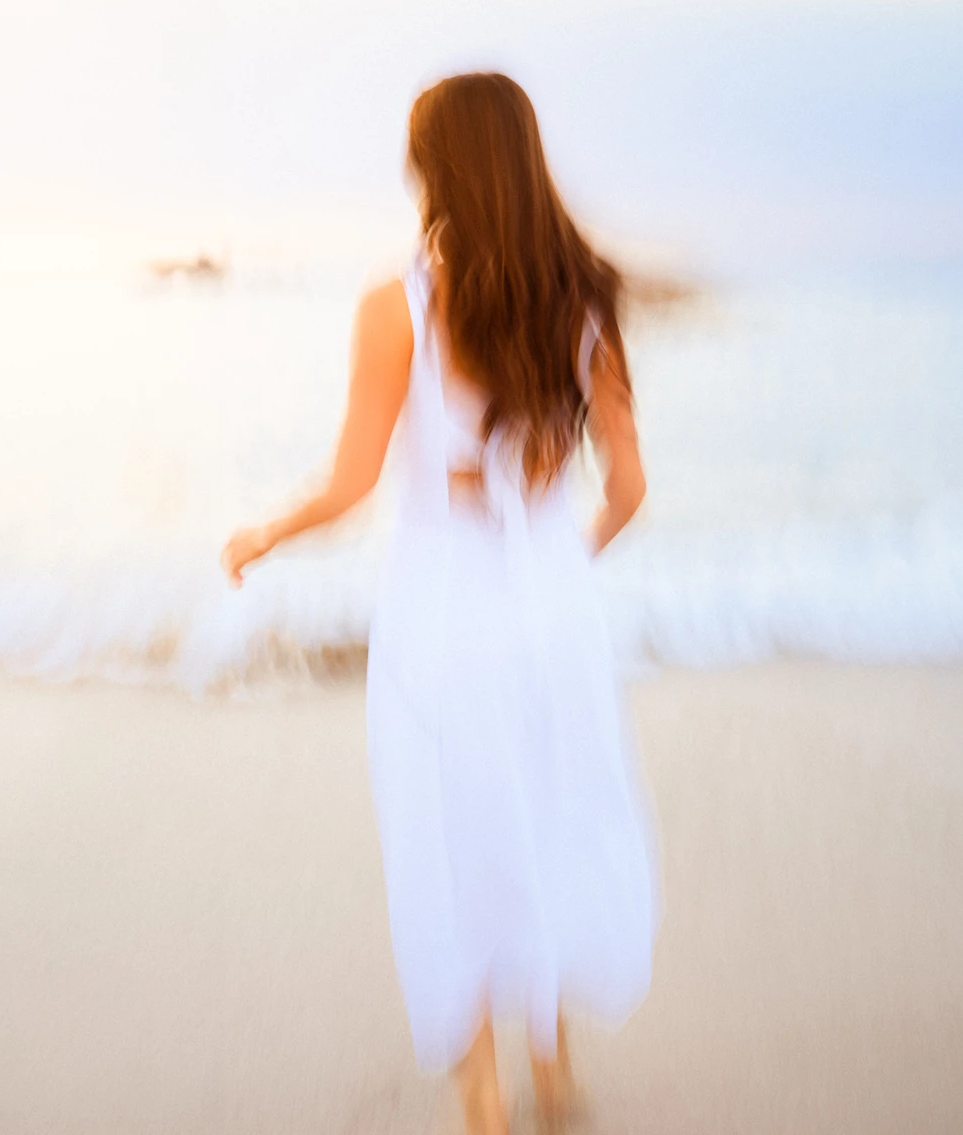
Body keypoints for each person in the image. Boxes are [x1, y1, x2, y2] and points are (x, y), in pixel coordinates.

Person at [222, 71, 661, 1135]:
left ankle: (485, 1100)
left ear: (434, 169)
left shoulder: (399, 305)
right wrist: (557, 564)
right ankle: (554, 1070)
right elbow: (629, 490)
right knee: (547, 819)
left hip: (442, 608)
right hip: (553, 607)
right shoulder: (587, 297)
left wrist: (266, 531)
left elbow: (352, 485)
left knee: (449, 841)